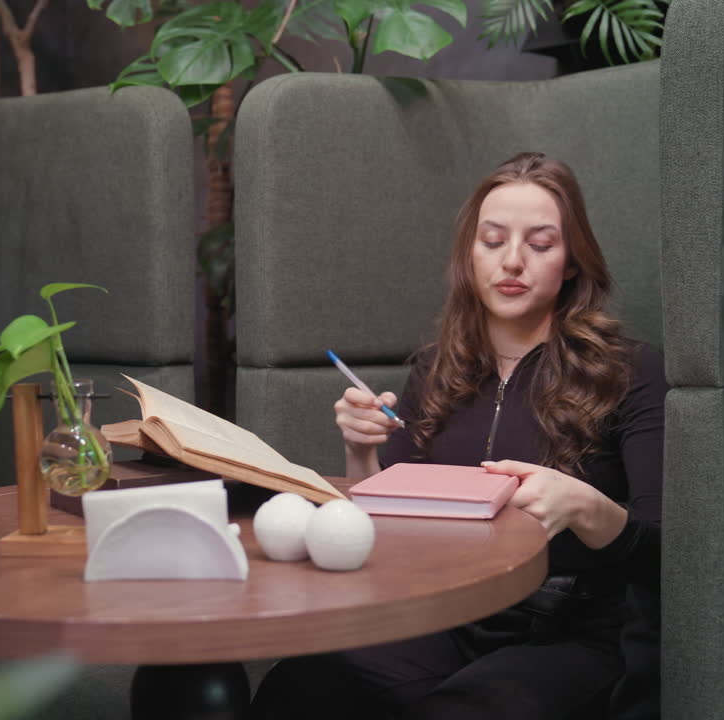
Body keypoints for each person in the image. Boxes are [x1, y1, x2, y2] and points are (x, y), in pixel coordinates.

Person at [250, 152, 665, 720]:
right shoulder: (436, 369)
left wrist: (589, 508)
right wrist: (361, 452)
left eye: (540, 245)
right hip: (445, 620)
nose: (512, 261)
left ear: (571, 262)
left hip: (574, 634)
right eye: (492, 241)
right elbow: (387, 533)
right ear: (470, 255)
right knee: (301, 687)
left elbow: (667, 547)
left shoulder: (630, 370)